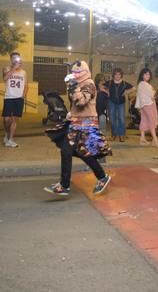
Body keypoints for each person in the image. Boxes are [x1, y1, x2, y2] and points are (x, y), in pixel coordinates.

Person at [44, 61, 112, 196]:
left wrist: (74, 88)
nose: (75, 74)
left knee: (77, 152)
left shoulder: (89, 84)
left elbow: (81, 101)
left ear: (85, 72)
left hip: (86, 125)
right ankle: (98, 178)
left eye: (77, 72)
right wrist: (71, 113)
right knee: (74, 151)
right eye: (73, 72)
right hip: (76, 123)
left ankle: (67, 185)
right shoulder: (77, 84)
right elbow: (75, 104)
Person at [3, 52, 27, 147]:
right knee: (6, 119)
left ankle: (10, 139)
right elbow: (5, 78)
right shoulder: (6, 69)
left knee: (14, 120)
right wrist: (14, 69)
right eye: (14, 58)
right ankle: (6, 133)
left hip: (19, 98)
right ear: (11, 60)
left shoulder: (23, 72)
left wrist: (23, 95)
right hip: (9, 97)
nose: (16, 60)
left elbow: (26, 85)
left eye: (17, 58)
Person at [135, 68, 158, 147]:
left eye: (149, 74)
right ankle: (155, 140)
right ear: (142, 75)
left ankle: (142, 139)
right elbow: (152, 94)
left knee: (144, 120)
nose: (147, 76)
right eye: (145, 74)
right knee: (151, 121)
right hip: (148, 104)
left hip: (144, 105)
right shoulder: (144, 84)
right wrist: (154, 91)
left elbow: (140, 96)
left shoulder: (141, 84)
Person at [105, 68, 133, 142]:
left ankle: (121, 135)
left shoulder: (124, 83)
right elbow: (100, 86)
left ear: (121, 75)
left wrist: (127, 92)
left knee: (122, 119)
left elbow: (134, 88)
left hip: (121, 103)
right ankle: (114, 135)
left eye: (119, 74)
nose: (117, 76)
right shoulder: (110, 83)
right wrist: (106, 91)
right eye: (116, 74)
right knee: (112, 119)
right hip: (111, 103)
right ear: (113, 75)